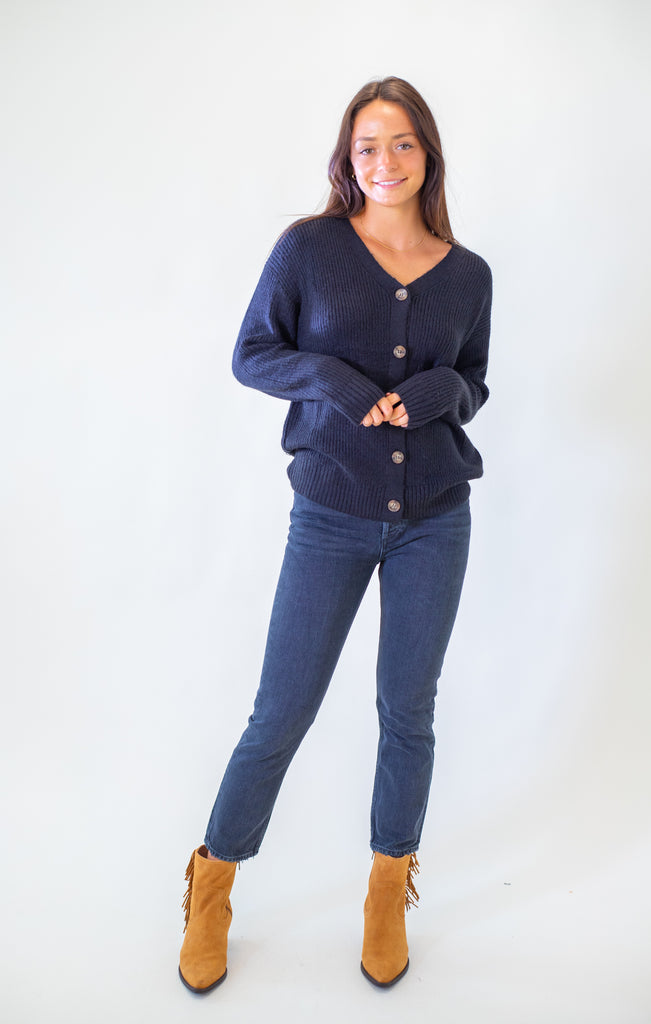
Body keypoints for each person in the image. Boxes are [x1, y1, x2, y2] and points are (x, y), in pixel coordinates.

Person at [178, 75, 492, 993]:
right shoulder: (309, 249)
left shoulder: (467, 273)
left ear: (426, 152)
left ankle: (387, 890)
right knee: (281, 712)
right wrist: (334, 381)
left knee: (408, 712)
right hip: (329, 516)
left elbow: (474, 380)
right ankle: (211, 885)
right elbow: (252, 355)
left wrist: (439, 390)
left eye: (401, 143)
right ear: (346, 159)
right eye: (367, 146)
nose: (384, 161)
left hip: (435, 519)